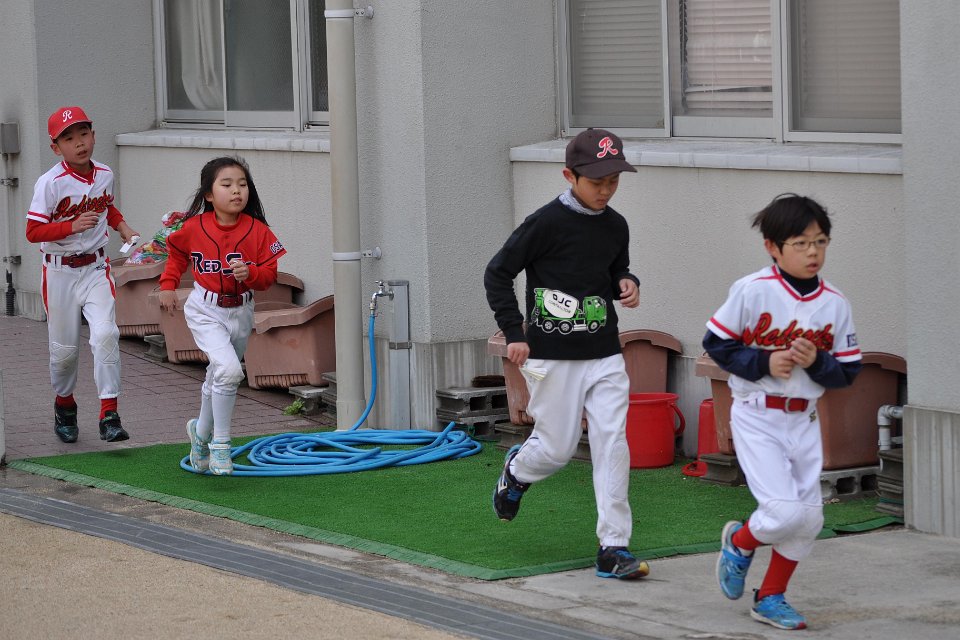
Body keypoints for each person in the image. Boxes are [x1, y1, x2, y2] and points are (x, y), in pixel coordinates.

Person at [484, 128, 647, 580]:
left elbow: (614, 269)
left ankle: (613, 547)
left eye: (613, 181)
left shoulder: (616, 225)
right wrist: (513, 331)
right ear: (569, 176)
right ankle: (517, 471)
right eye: (596, 182)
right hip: (551, 356)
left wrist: (627, 282)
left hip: (605, 353)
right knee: (556, 449)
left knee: (613, 444)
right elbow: (498, 273)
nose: (606, 190)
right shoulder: (545, 223)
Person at [704, 193, 862, 630]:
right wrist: (763, 362)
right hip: (757, 414)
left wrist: (818, 363)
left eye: (820, 241)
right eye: (801, 243)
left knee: (809, 518)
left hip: (804, 417)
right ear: (772, 247)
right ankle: (740, 541)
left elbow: (847, 373)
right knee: (782, 512)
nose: (813, 252)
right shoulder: (752, 289)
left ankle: (770, 596)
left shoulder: (835, 302)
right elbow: (717, 344)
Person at [158, 156, 286, 476]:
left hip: (241, 310)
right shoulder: (193, 227)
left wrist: (251, 273)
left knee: (219, 374)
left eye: (242, 184)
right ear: (209, 195)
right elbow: (176, 254)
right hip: (205, 308)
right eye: (226, 184)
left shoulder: (258, 230)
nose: (236, 191)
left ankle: (200, 435)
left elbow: (269, 276)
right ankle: (221, 445)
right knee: (229, 371)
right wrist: (168, 285)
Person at [26, 106, 140, 444]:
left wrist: (122, 226)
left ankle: (109, 414)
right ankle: (64, 406)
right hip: (59, 272)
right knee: (64, 353)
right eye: (69, 138)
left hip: (95, 268)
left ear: (93, 135)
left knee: (105, 334)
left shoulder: (104, 173)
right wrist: (70, 226)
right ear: (55, 147)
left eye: (84, 133)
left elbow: (107, 206)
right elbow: (33, 231)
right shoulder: (49, 183)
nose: (79, 142)